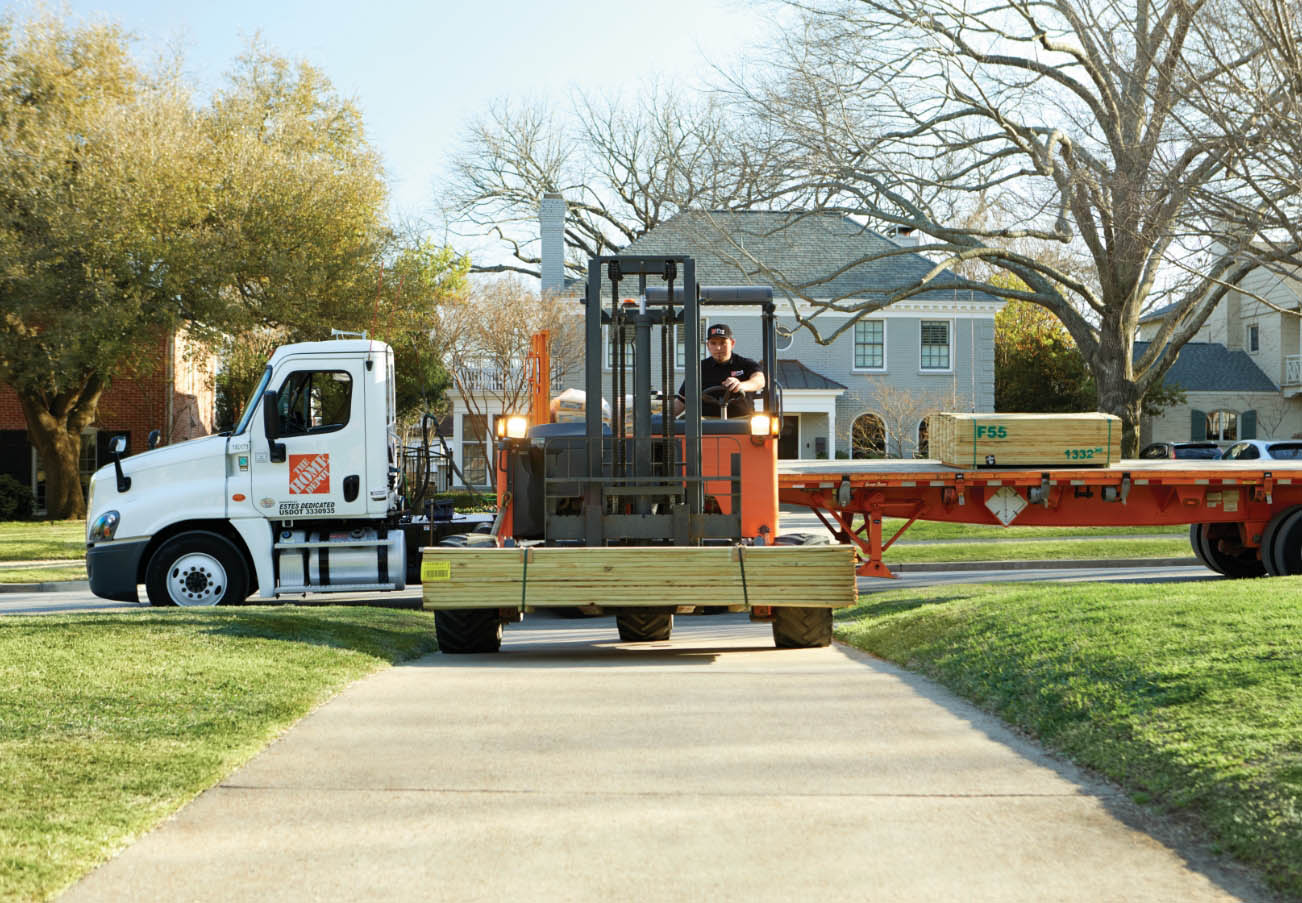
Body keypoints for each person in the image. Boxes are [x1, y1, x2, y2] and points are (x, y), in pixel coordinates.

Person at [673, 323, 766, 418]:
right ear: (708, 345)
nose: (718, 348)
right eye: (713, 343)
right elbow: (682, 401)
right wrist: (662, 419)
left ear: (732, 343)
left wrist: (741, 385)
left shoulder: (746, 364)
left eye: (723, 343)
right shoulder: (699, 368)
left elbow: (759, 380)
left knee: (761, 423)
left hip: (742, 421)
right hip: (706, 425)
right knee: (686, 420)